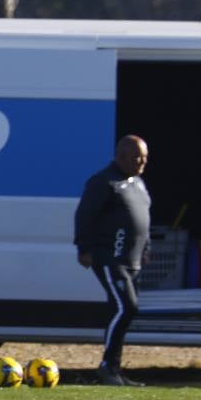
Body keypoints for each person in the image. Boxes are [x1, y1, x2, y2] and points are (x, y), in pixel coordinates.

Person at [74, 134, 151, 386]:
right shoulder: (104, 182)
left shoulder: (137, 183)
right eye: (138, 157)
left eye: (145, 158)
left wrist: (146, 248)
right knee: (126, 307)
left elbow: (143, 218)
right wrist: (84, 247)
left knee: (122, 309)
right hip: (111, 258)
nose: (142, 162)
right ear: (121, 155)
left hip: (133, 261)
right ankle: (108, 367)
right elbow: (85, 215)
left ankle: (114, 368)